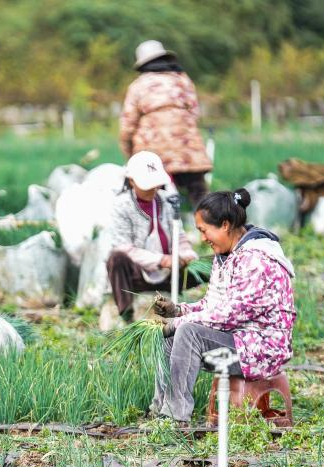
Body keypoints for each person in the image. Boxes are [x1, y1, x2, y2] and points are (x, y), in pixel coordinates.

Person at [151, 188, 296, 423]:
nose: (203, 238)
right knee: (171, 335)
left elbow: (231, 313)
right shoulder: (227, 255)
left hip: (262, 348)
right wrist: (179, 310)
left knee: (187, 332)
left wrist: (179, 322)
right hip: (240, 339)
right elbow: (213, 305)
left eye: (204, 231)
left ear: (225, 225)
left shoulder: (256, 259)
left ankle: (176, 418)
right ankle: (162, 409)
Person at [104, 151, 200, 328]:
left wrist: (186, 254)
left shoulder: (167, 201)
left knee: (210, 265)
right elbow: (125, 248)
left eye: (155, 185)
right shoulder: (121, 205)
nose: (152, 189)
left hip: (171, 272)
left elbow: (179, 234)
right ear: (131, 181)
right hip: (137, 274)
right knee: (116, 258)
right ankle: (127, 316)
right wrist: (161, 260)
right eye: (146, 185)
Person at [119, 40, 211, 209]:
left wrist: (130, 155)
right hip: (187, 148)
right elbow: (195, 113)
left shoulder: (138, 86)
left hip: (153, 149)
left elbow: (128, 124)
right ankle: (211, 228)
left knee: (155, 195)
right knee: (198, 193)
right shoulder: (183, 81)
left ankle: (163, 230)